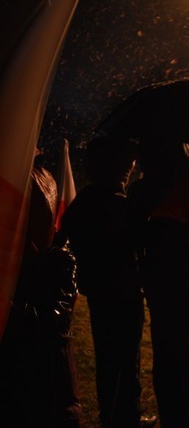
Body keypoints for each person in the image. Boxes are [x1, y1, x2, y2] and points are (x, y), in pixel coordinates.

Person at [60, 136, 156, 428]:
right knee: (126, 358)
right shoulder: (119, 205)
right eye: (126, 165)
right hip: (123, 292)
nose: (130, 170)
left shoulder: (84, 202)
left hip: (100, 292)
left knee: (107, 357)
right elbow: (138, 242)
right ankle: (126, 417)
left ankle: (114, 415)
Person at [126, 140, 189, 428]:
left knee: (164, 351)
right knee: (181, 355)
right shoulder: (186, 190)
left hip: (155, 281)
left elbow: (135, 239)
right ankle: (178, 418)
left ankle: (169, 414)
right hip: (184, 284)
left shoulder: (139, 191)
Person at [0, 164, 82, 427]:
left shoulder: (59, 260)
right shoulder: (12, 259)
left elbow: (53, 322)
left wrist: (8, 308)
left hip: (49, 389)